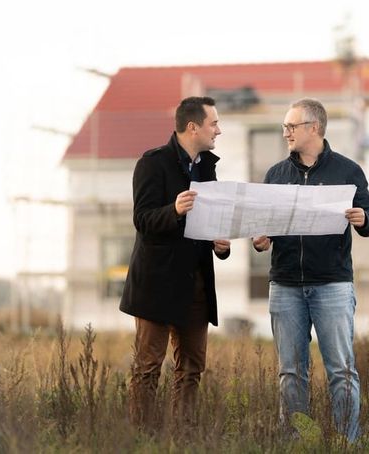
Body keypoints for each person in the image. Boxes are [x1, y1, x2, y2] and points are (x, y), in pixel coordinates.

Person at [252, 98, 369, 442]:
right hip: (285, 285)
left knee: (341, 370)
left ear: (315, 128)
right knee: (291, 372)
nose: (286, 133)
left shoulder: (347, 171)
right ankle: (297, 441)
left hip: (333, 285)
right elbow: (265, 228)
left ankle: (346, 441)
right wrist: (261, 241)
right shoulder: (275, 175)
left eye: (291, 127)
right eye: (284, 127)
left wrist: (363, 218)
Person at [120, 96, 231, 430]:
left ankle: (182, 435)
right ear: (192, 127)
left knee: (192, 367)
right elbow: (142, 219)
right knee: (148, 366)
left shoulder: (208, 166)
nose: (219, 130)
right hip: (157, 284)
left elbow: (208, 223)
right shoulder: (152, 163)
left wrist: (220, 245)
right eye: (214, 123)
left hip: (196, 283)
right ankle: (143, 436)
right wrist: (175, 210)